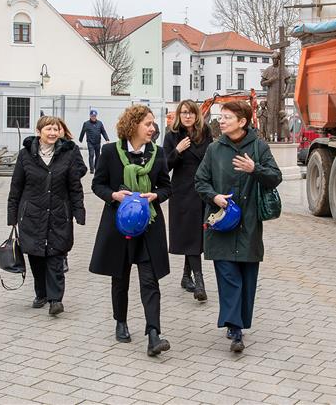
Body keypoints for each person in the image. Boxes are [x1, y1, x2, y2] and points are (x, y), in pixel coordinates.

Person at [194, 101, 282, 353]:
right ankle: (234, 329)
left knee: (246, 275)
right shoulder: (214, 149)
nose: (221, 121)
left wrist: (255, 169)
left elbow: (275, 177)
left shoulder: (258, 146)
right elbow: (200, 181)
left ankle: (240, 322)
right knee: (228, 276)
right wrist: (215, 197)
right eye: (220, 117)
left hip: (249, 224)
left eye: (227, 117)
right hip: (221, 224)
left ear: (242, 121)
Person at [89, 105, 173, 356]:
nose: (152, 128)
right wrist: (113, 195)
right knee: (120, 277)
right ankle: (121, 321)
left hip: (149, 227)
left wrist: (155, 196)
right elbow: (97, 184)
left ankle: (154, 333)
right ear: (133, 125)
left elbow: (167, 188)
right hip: (119, 226)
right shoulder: (110, 152)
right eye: (147, 123)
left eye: (153, 124)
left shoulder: (157, 153)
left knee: (150, 280)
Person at [7, 115, 86, 316]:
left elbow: (75, 186)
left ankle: (55, 300)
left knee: (56, 256)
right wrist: (12, 215)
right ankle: (41, 293)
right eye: (48, 129)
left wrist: (79, 211)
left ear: (60, 132)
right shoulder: (25, 155)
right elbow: (16, 186)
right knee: (36, 257)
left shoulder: (67, 154)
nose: (52, 133)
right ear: (39, 131)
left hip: (59, 213)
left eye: (55, 129)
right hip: (32, 214)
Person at [163, 100, 213, 301]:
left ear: (197, 115)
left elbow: (211, 160)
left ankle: (186, 276)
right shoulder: (172, 136)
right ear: (179, 115)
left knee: (196, 236)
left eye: (191, 113)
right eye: (184, 112)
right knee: (191, 235)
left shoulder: (205, 133)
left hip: (202, 190)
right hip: (182, 192)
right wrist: (178, 150)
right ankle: (199, 282)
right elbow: (164, 165)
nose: (187, 116)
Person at [56, 118, 87, 273]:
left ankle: (63, 257)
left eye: (58, 128)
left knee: (63, 231)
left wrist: (70, 175)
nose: (55, 132)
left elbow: (82, 168)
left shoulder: (71, 148)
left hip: (64, 197)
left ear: (64, 130)